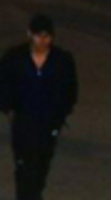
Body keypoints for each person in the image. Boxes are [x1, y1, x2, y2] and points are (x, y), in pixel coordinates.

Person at [0, 14, 78, 200]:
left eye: (47, 36)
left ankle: (34, 192)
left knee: (42, 163)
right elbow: (3, 84)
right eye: (38, 35)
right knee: (24, 164)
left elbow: (70, 90)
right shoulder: (14, 57)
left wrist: (61, 114)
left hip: (48, 121)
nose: (42, 40)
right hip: (23, 119)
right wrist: (7, 108)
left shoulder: (62, 60)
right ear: (29, 34)